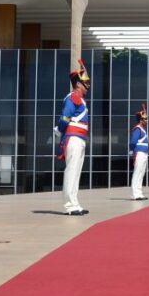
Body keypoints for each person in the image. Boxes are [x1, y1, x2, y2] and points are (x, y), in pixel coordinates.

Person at [56, 59, 91, 216]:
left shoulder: (80, 99)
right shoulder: (73, 97)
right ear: (77, 84)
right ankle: (69, 205)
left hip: (80, 139)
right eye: (85, 83)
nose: (88, 85)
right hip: (74, 138)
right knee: (71, 171)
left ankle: (75, 203)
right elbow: (65, 117)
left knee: (76, 172)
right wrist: (60, 130)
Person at [129, 103, 149, 201]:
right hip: (139, 153)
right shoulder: (137, 129)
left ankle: (139, 193)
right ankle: (135, 194)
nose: (146, 121)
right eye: (145, 119)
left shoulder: (143, 130)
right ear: (140, 120)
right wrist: (133, 152)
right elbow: (133, 142)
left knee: (141, 173)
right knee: (137, 173)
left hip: (144, 154)